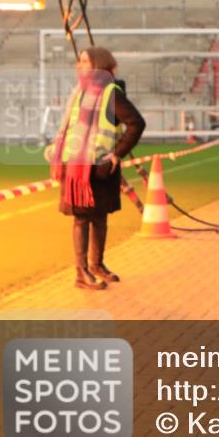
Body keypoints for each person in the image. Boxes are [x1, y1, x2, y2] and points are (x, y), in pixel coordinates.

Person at [45, 47, 145, 290]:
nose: (79, 65)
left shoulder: (110, 93)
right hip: (76, 167)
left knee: (98, 217)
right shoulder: (79, 92)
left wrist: (116, 154)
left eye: (85, 61)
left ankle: (96, 265)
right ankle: (82, 273)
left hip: (98, 168)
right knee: (81, 219)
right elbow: (69, 127)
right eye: (79, 61)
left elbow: (136, 123)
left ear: (98, 65)